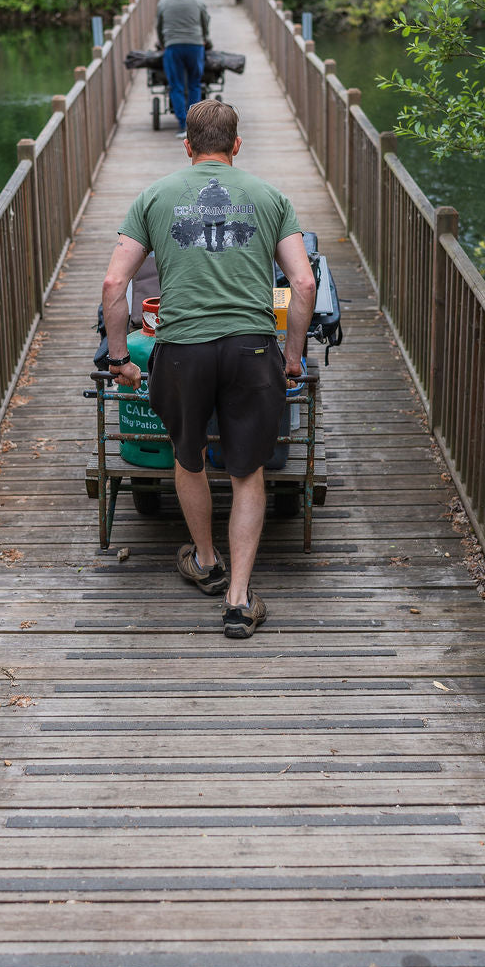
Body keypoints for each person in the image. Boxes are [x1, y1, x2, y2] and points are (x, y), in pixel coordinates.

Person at [101, 98, 315, 639]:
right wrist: (291, 358)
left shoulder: (153, 196)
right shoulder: (271, 198)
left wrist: (122, 358)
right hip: (251, 349)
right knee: (248, 472)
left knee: (188, 455)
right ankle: (239, 601)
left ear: (187, 146)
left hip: (182, 350)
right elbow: (305, 285)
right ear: (237, 145)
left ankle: (205, 561)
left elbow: (113, 285)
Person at [156, 0, 212, 134]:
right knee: (195, 84)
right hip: (195, 45)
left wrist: (162, 42)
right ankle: (194, 124)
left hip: (173, 45)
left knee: (176, 85)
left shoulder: (164, 1)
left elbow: (159, 25)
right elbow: (205, 21)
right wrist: (205, 38)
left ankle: (183, 124)